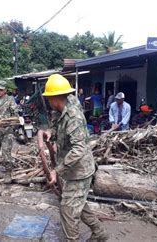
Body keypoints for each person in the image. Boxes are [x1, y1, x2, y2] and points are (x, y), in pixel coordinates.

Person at [38, 74, 108, 242]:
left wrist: (56, 171)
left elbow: (79, 149)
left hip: (79, 171)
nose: (48, 101)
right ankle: (100, 233)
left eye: (49, 98)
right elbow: (56, 128)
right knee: (79, 203)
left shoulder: (73, 117)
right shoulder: (61, 108)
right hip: (71, 169)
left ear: (55, 98)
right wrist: (50, 133)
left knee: (68, 209)